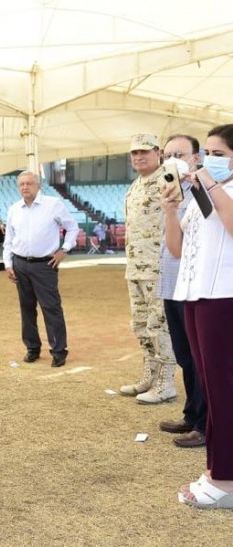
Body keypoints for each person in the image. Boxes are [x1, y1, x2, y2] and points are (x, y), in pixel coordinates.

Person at [163, 124, 233, 508]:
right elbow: (176, 248)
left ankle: (225, 478)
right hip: (193, 295)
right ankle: (217, 469)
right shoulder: (199, 195)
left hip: (223, 298)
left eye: (218, 154)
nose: (208, 160)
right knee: (210, 385)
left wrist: (207, 180)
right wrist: (171, 210)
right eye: (206, 153)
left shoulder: (222, 190)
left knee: (224, 388)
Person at [156, 134, 207, 448]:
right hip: (172, 286)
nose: (172, 159)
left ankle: (204, 424)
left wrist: (197, 181)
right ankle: (192, 414)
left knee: (201, 359)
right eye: (168, 154)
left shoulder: (204, 192)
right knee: (186, 357)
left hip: (194, 286)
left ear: (196, 158)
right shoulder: (169, 191)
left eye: (180, 153)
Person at [119, 133, 178, 403]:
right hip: (136, 267)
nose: (138, 156)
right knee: (140, 325)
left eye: (144, 151)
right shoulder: (136, 185)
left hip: (159, 267)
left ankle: (167, 383)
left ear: (159, 152)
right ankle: (150, 376)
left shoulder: (168, 178)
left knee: (160, 325)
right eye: (134, 153)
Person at [3, 171, 78, 367]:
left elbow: (72, 227)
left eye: (29, 183)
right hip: (20, 264)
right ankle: (32, 348)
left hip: (45, 265)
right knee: (26, 309)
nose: (25, 187)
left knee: (51, 308)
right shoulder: (13, 209)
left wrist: (64, 250)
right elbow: (8, 240)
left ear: (38, 186)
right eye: (21, 184)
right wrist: (8, 264)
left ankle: (59, 351)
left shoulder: (53, 205)